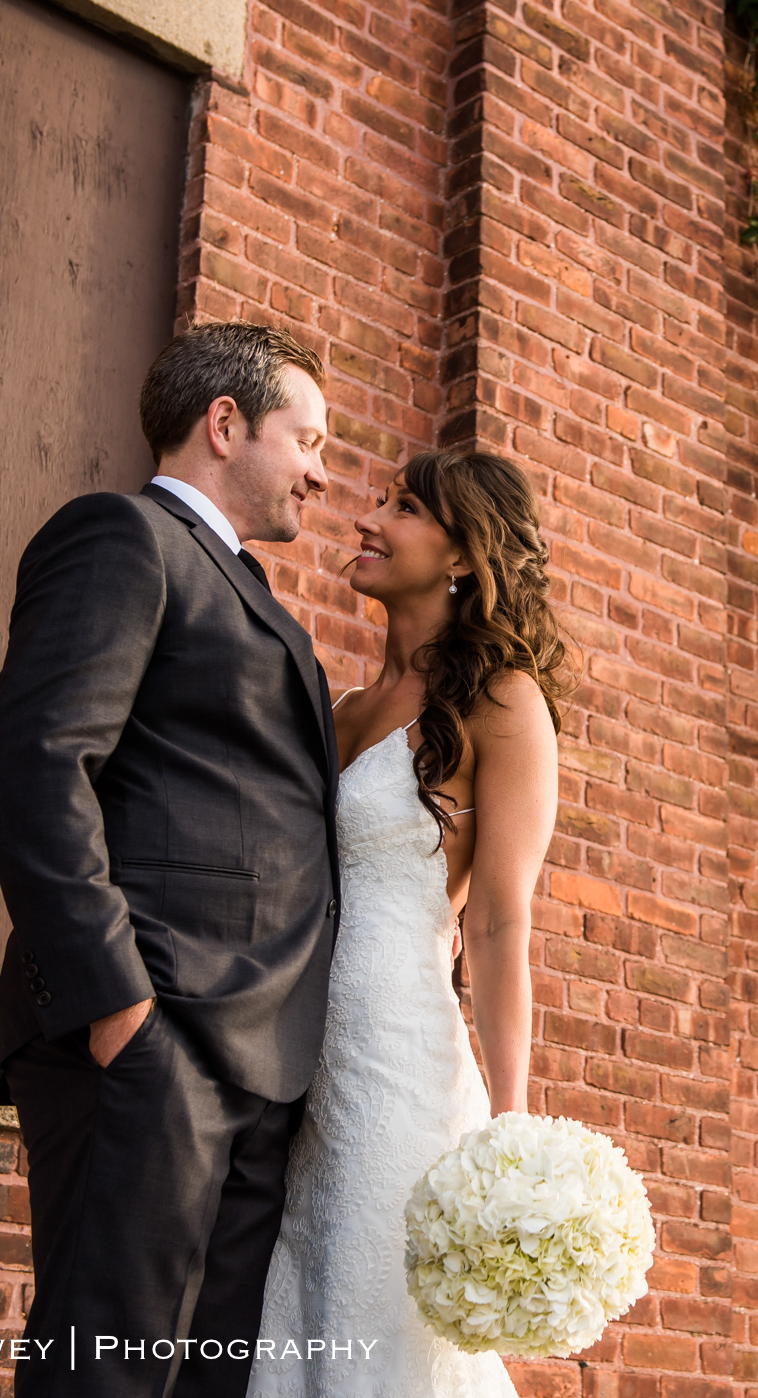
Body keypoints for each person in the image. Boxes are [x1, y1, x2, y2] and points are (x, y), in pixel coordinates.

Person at [0, 323, 340, 1398]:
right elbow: (38, 766)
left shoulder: (260, 596)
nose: (322, 472)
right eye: (307, 438)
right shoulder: (120, 539)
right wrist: (118, 1008)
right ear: (224, 424)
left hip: (258, 1063)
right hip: (153, 1037)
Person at [245, 448, 565, 1397]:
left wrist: (510, 1120)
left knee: (376, 1314)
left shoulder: (504, 703)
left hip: (398, 1063)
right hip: (295, 1061)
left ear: (465, 553)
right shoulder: (338, 706)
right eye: (378, 499)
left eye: (406, 508)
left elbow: (504, 923)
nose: (369, 517)